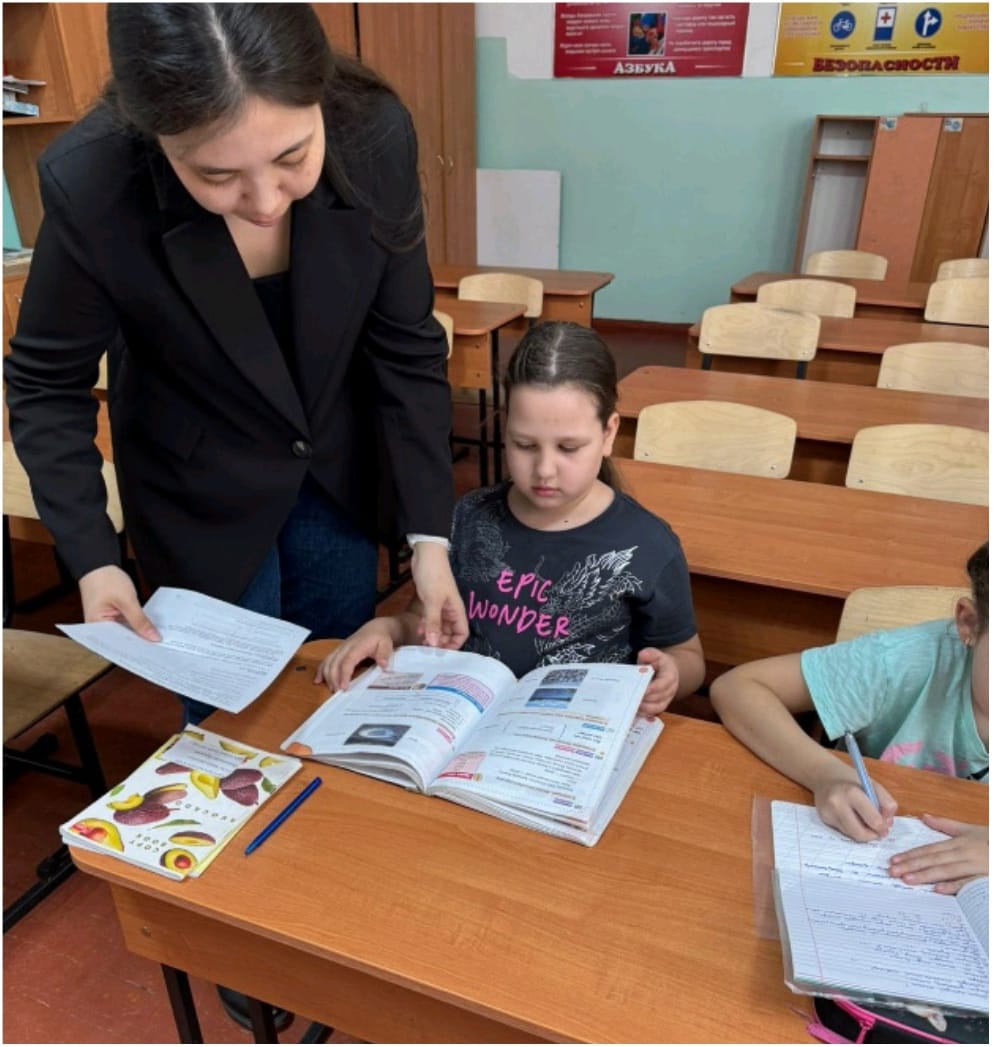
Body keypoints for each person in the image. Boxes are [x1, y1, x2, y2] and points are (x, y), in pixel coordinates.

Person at [3, 4, 470, 1031]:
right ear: (153, 134)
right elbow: (42, 384)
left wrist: (429, 541)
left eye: (291, 158)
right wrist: (95, 557)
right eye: (215, 176)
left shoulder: (373, 133)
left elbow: (404, 350)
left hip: (336, 468)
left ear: (320, 103)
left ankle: (336, 906)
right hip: (197, 486)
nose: (263, 201)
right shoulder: (93, 180)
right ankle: (248, 941)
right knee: (225, 729)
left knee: (343, 696)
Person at [319, 321, 706, 719]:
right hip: (462, 718)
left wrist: (672, 674)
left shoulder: (648, 543)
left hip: (568, 728)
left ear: (609, 433)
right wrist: (386, 629)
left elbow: (687, 655)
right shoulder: (467, 517)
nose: (544, 470)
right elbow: (422, 620)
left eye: (569, 448)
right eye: (524, 445)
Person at [711, 542, 988, 894]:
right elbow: (737, 688)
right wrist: (824, 774)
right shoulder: (904, 661)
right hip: (875, 864)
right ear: (969, 623)